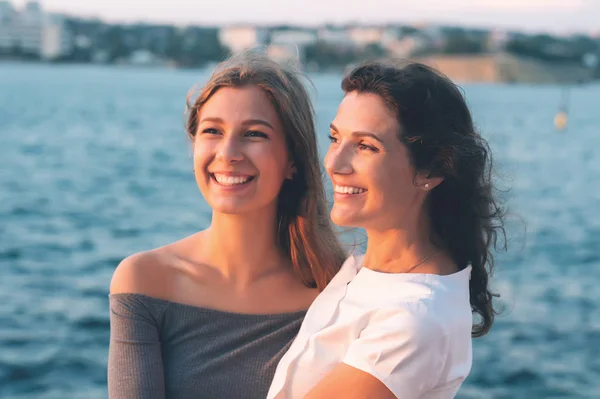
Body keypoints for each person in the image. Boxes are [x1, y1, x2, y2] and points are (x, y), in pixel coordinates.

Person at [107, 51, 346, 399]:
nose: (228, 152)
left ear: (292, 160)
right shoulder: (144, 280)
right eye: (212, 131)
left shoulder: (339, 290)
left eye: (254, 134)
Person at [268, 60, 506, 399]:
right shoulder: (365, 268)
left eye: (365, 146)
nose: (333, 163)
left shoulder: (413, 321)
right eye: (335, 138)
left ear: (430, 170)